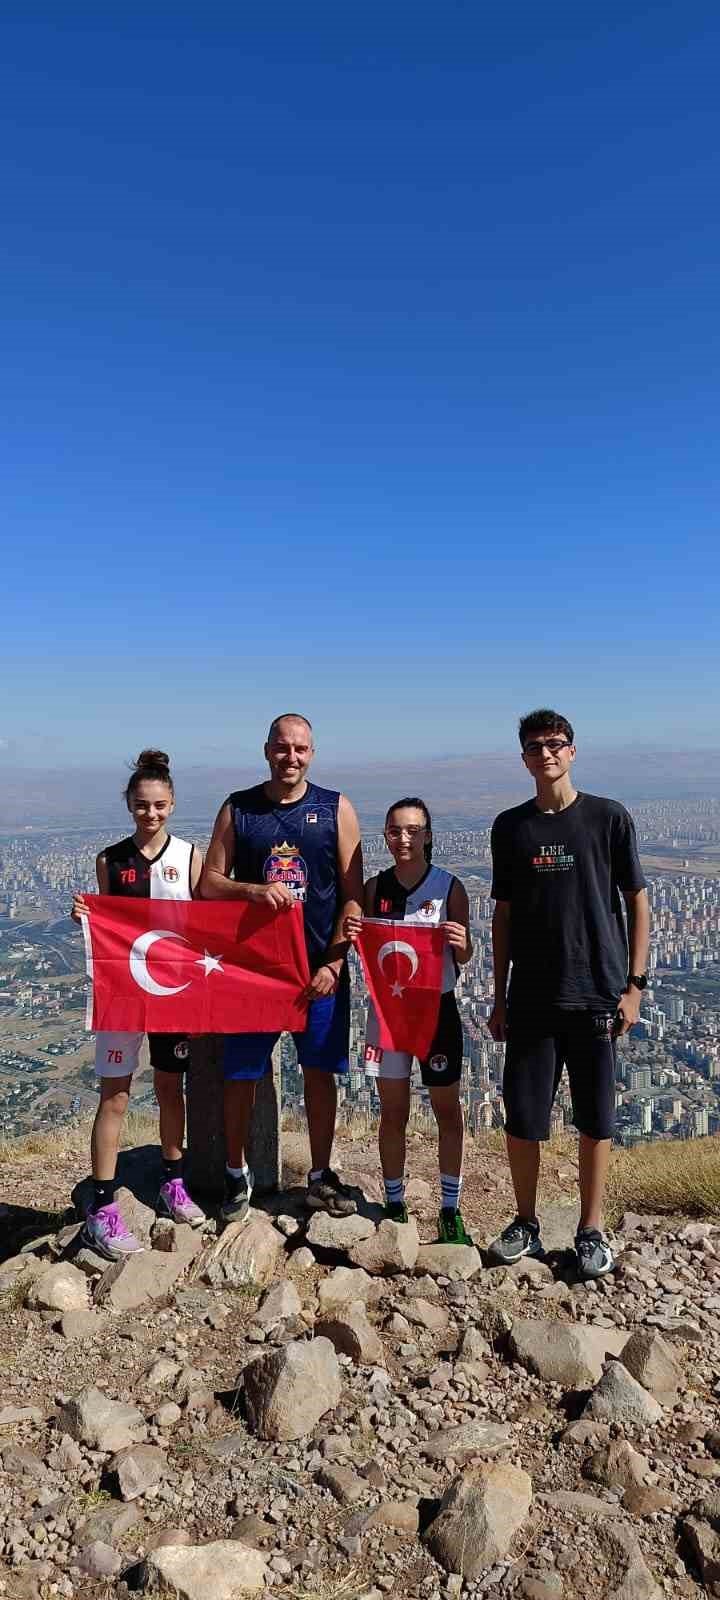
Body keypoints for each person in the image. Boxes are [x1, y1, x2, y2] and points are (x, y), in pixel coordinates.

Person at [487, 709, 650, 1279]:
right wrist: (499, 996)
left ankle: (590, 1228)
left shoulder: (607, 818)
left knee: (596, 1118)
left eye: (555, 744)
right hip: (531, 995)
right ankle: (526, 1221)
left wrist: (634, 986)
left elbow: (637, 899)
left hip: (597, 993)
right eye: (535, 746)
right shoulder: (511, 827)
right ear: (524, 757)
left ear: (572, 750)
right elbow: (502, 913)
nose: (545, 753)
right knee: (523, 1117)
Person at [201, 714, 363, 1223]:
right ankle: (234, 1172)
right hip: (255, 973)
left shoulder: (335, 808)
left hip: (318, 971)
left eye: (301, 749)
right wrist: (251, 890)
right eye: (282, 748)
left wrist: (335, 963)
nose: (291, 757)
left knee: (319, 1074)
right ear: (267, 750)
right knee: (241, 1076)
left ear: (311, 753)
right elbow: (208, 883)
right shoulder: (239, 808)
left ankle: (319, 1175)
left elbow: (353, 897)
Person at [72, 750, 205, 1259]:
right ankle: (101, 1207)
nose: (150, 813)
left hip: (172, 993)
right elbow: (105, 924)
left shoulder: (189, 857)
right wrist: (83, 912)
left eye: (159, 805)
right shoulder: (112, 860)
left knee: (172, 1089)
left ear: (171, 804)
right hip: (124, 994)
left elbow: (210, 916)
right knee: (116, 1096)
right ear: (129, 804)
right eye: (142, 805)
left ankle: (174, 1181)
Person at [345, 797, 474, 1245]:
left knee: (447, 1112)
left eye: (413, 830)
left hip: (436, 1011)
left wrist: (462, 942)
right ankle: (395, 1201)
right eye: (395, 830)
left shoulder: (448, 887)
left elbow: (465, 956)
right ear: (386, 835)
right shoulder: (372, 887)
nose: (404, 838)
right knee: (392, 1113)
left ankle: (450, 1209)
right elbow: (353, 934)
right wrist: (352, 931)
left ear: (429, 835)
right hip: (386, 1015)